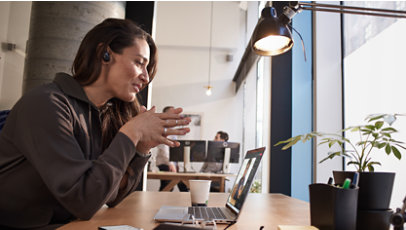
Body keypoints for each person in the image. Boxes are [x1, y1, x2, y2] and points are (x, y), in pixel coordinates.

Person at [0, 18, 191, 229]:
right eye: (139, 62)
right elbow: (84, 201)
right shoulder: (46, 104)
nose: (146, 77)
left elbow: (111, 197)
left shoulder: (102, 114)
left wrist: (141, 148)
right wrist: (132, 132)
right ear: (104, 53)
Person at [154, 106, 188, 192]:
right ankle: (159, 203)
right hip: (165, 162)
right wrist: (171, 164)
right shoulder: (162, 127)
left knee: (180, 185)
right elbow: (164, 149)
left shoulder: (172, 129)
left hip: (172, 161)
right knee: (168, 186)